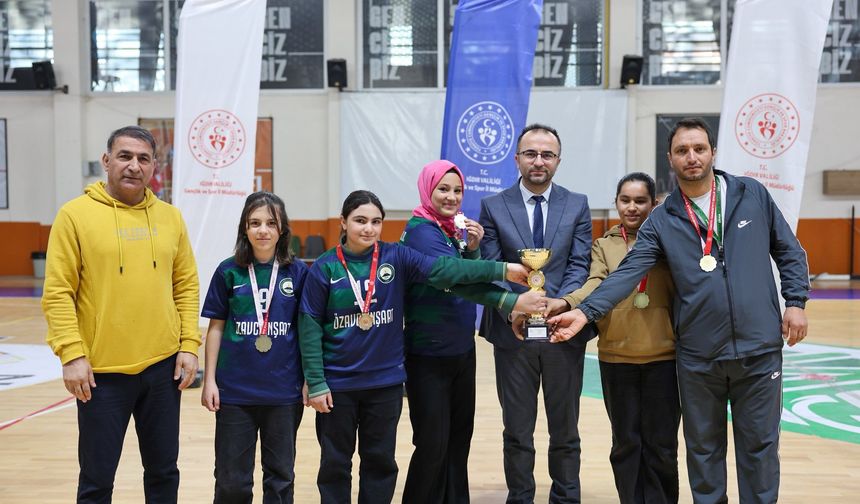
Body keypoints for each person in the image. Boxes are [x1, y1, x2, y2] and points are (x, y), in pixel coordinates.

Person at [548, 117, 809, 503]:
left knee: (760, 449)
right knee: (703, 452)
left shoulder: (751, 194)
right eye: (682, 150)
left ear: (713, 152)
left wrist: (796, 302)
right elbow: (626, 273)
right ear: (670, 159)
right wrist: (585, 312)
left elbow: (788, 250)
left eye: (699, 148)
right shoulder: (662, 219)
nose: (692, 157)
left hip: (758, 350)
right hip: (699, 357)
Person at [298, 190, 544, 504]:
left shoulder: (396, 257)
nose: (368, 228)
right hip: (339, 385)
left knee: (380, 464)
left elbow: (448, 272)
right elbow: (309, 325)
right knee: (335, 465)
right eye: (360, 220)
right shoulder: (324, 267)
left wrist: (502, 273)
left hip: (385, 383)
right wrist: (316, 381)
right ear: (343, 222)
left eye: (376, 221)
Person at [42, 125, 200, 503]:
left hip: (163, 369)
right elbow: (58, 292)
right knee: (97, 480)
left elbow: (186, 286)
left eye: (143, 159)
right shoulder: (74, 215)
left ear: (154, 166)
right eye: (125, 156)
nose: (134, 166)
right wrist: (72, 354)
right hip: (101, 374)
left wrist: (189, 345)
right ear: (106, 160)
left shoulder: (170, 218)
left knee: (164, 473)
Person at [478, 123, 593, 503]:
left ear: (558, 160)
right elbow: (491, 267)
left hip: (563, 331)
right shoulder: (493, 206)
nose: (538, 161)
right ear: (517, 159)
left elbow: (579, 264)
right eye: (531, 153)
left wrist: (559, 305)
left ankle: (566, 497)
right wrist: (517, 307)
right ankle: (521, 497)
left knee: (565, 430)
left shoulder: (577, 204)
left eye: (547, 154)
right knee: (517, 431)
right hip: (512, 334)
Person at [560, 173, 679, 504]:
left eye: (640, 201)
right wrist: (567, 303)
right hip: (616, 358)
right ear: (616, 203)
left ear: (654, 203)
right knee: (626, 443)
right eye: (625, 200)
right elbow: (595, 284)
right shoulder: (604, 245)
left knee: (662, 446)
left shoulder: (669, 241)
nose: (632, 207)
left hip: (664, 358)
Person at [200, 191, 308, 503]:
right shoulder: (228, 271)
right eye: (255, 223)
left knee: (280, 478)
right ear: (244, 228)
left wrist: (308, 379)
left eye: (271, 223)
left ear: (282, 229)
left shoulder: (298, 272)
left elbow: (307, 330)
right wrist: (209, 380)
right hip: (235, 392)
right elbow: (216, 328)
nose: (263, 230)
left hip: (284, 391)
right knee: (231, 480)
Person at [400, 160, 486, 503]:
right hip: (428, 354)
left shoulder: (449, 229)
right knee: (433, 444)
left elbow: (467, 277)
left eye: (458, 190)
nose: (452, 196)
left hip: (460, 350)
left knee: (458, 441)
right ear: (427, 189)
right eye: (443, 189)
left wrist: (473, 249)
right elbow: (453, 274)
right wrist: (503, 276)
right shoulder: (421, 231)